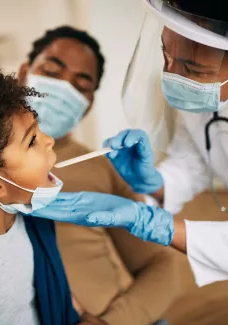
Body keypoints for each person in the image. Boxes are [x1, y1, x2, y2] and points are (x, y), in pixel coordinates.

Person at [30, 0, 228, 315]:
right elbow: (191, 165)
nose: (174, 76)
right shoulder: (211, 98)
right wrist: (154, 183)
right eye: (167, 57)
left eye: (192, 69)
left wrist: (152, 223)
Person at [18, 26, 178, 325]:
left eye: (81, 85)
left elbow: (160, 264)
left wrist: (113, 322)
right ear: (24, 73)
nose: (63, 88)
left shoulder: (100, 167)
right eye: (52, 72)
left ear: (88, 103)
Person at [0, 66, 108, 325]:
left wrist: (82, 316)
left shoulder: (35, 223)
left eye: (39, 131)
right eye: (32, 141)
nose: (49, 140)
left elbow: (50, 294)